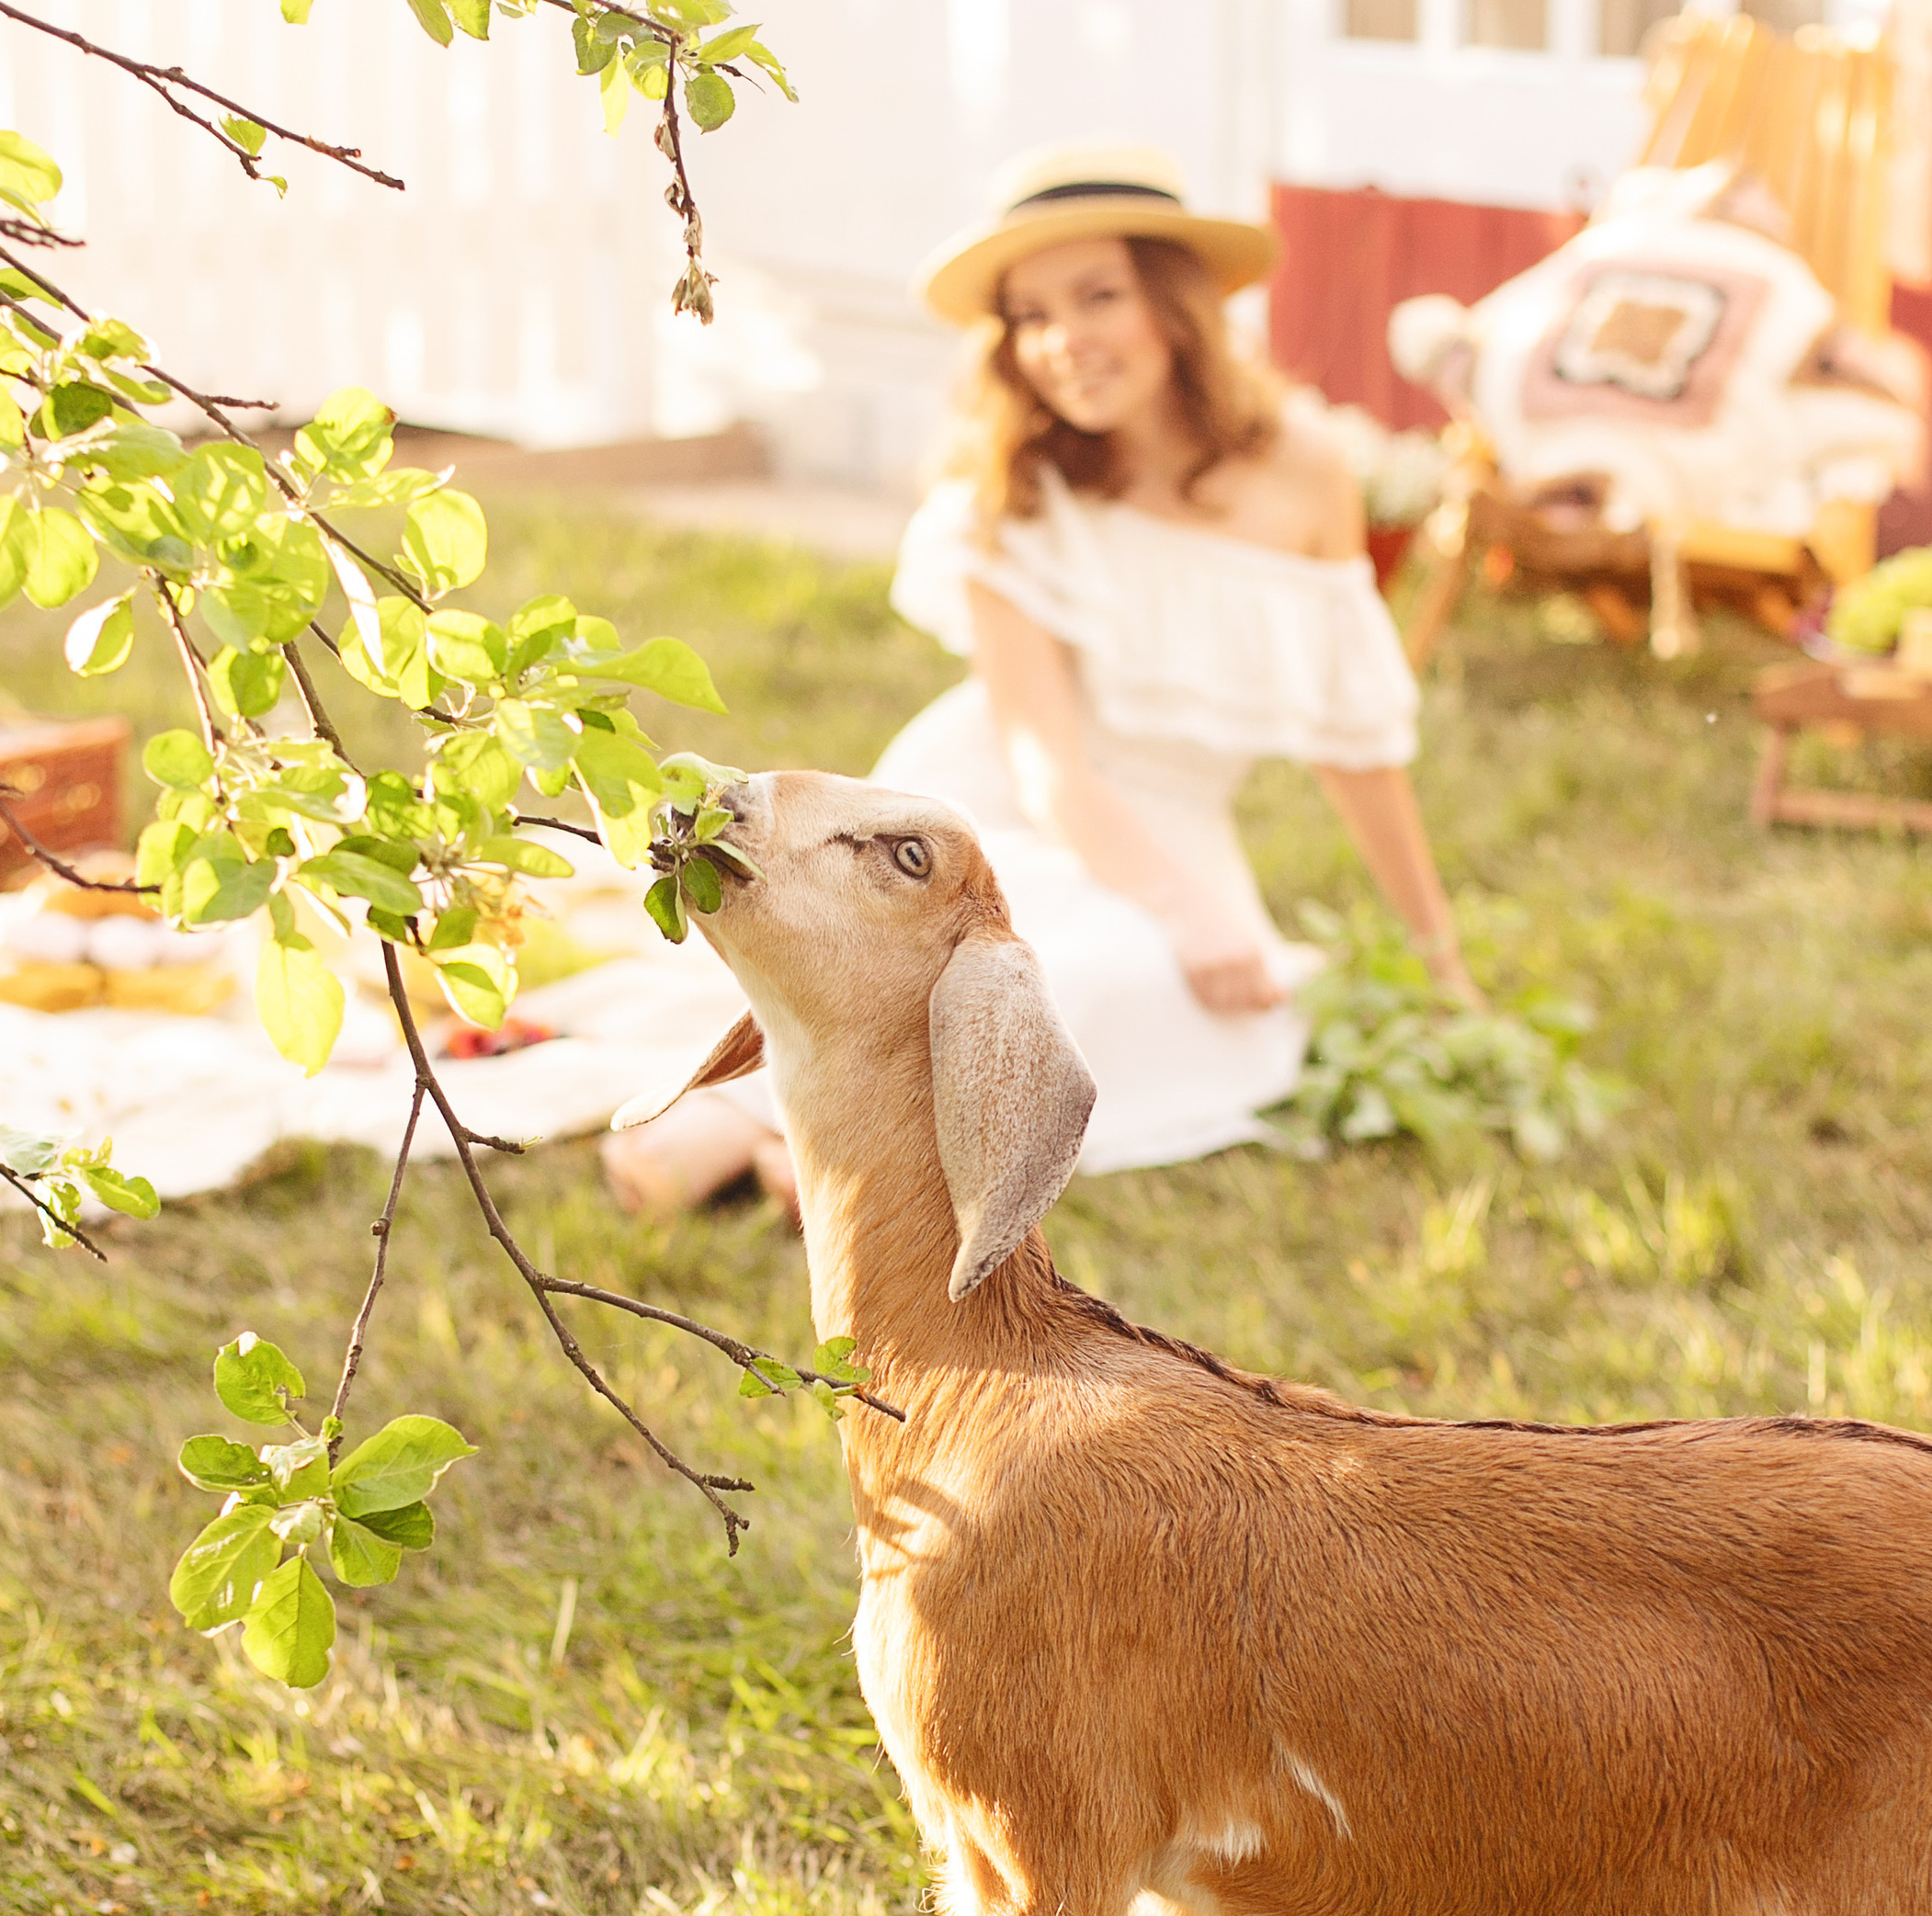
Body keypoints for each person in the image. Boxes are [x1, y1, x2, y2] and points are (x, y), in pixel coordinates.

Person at [602, 141, 1475, 1213]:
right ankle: (734, 1130)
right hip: (1000, 810)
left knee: (1171, 998)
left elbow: (1358, 748)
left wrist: (1442, 967)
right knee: (1030, 971)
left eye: (1098, 296)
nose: (1064, 342)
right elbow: (1044, 762)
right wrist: (1189, 915)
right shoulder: (1006, 488)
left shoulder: (1303, 475)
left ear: (1173, 307)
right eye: (1030, 315)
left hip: (1178, 823)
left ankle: (837, 1155)